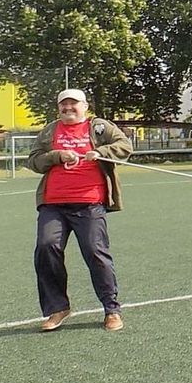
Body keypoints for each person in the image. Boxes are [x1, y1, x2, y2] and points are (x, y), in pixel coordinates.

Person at [28, 88, 132, 332]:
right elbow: (33, 160)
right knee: (46, 246)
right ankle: (58, 308)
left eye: (73, 104)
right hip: (53, 204)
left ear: (85, 106)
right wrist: (56, 156)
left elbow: (124, 146)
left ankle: (111, 309)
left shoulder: (99, 127)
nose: (68, 108)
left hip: (89, 203)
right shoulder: (50, 131)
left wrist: (100, 152)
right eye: (63, 105)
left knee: (95, 252)